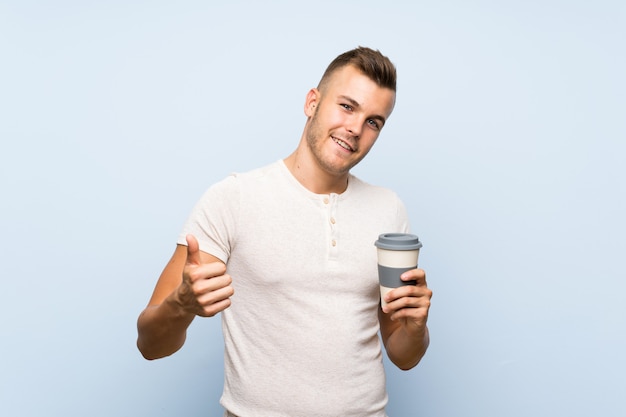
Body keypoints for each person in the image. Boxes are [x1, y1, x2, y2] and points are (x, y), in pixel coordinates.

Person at [137, 46, 432, 417]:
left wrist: (416, 327)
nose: (355, 129)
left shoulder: (389, 210)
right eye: (347, 106)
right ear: (312, 102)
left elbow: (403, 354)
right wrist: (182, 304)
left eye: (374, 121)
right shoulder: (233, 198)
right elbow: (150, 344)